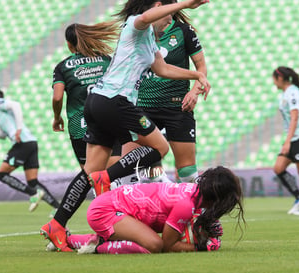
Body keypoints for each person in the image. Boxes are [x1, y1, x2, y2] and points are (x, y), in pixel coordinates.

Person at [40, 0, 211, 252]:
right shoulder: (135, 25)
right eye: (169, 14)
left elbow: (162, 69)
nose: (169, 21)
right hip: (116, 102)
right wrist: (187, 3)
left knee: (90, 172)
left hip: (98, 102)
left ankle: (56, 224)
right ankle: (106, 178)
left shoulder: (149, 41)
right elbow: (147, 17)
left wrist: (197, 75)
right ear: (158, 6)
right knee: (159, 148)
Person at [50, 166, 244, 254]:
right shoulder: (187, 204)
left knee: (148, 240)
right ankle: (96, 247)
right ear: (217, 197)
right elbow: (168, 245)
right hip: (105, 210)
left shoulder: (194, 193)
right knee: (153, 245)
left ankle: (69, 239)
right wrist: (200, 247)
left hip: (114, 206)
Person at [123, 8, 207, 183]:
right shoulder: (138, 30)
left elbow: (201, 68)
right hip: (142, 106)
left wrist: (194, 92)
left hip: (177, 106)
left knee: (189, 174)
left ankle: (193, 209)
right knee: (133, 169)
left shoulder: (184, 31)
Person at [0, 83, 60, 213]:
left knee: (2, 174)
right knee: (33, 181)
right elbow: (1, 135)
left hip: (23, 143)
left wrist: (19, 128)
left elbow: (16, 105)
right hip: (31, 143)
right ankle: (58, 208)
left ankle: (32, 193)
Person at [52, 22, 121, 169]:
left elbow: (57, 97)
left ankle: (101, 192)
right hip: (109, 120)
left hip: (81, 126)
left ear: (69, 44)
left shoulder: (63, 67)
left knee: (90, 175)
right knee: (114, 170)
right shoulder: (106, 60)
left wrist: (57, 118)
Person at [272, 67, 299, 215]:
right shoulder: (287, 93)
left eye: (274, 79)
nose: (273, 82)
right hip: (294, 138)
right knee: (279, 168)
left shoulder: (292, 93)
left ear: (279, 78)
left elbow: (295, 117)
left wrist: (287, 141)